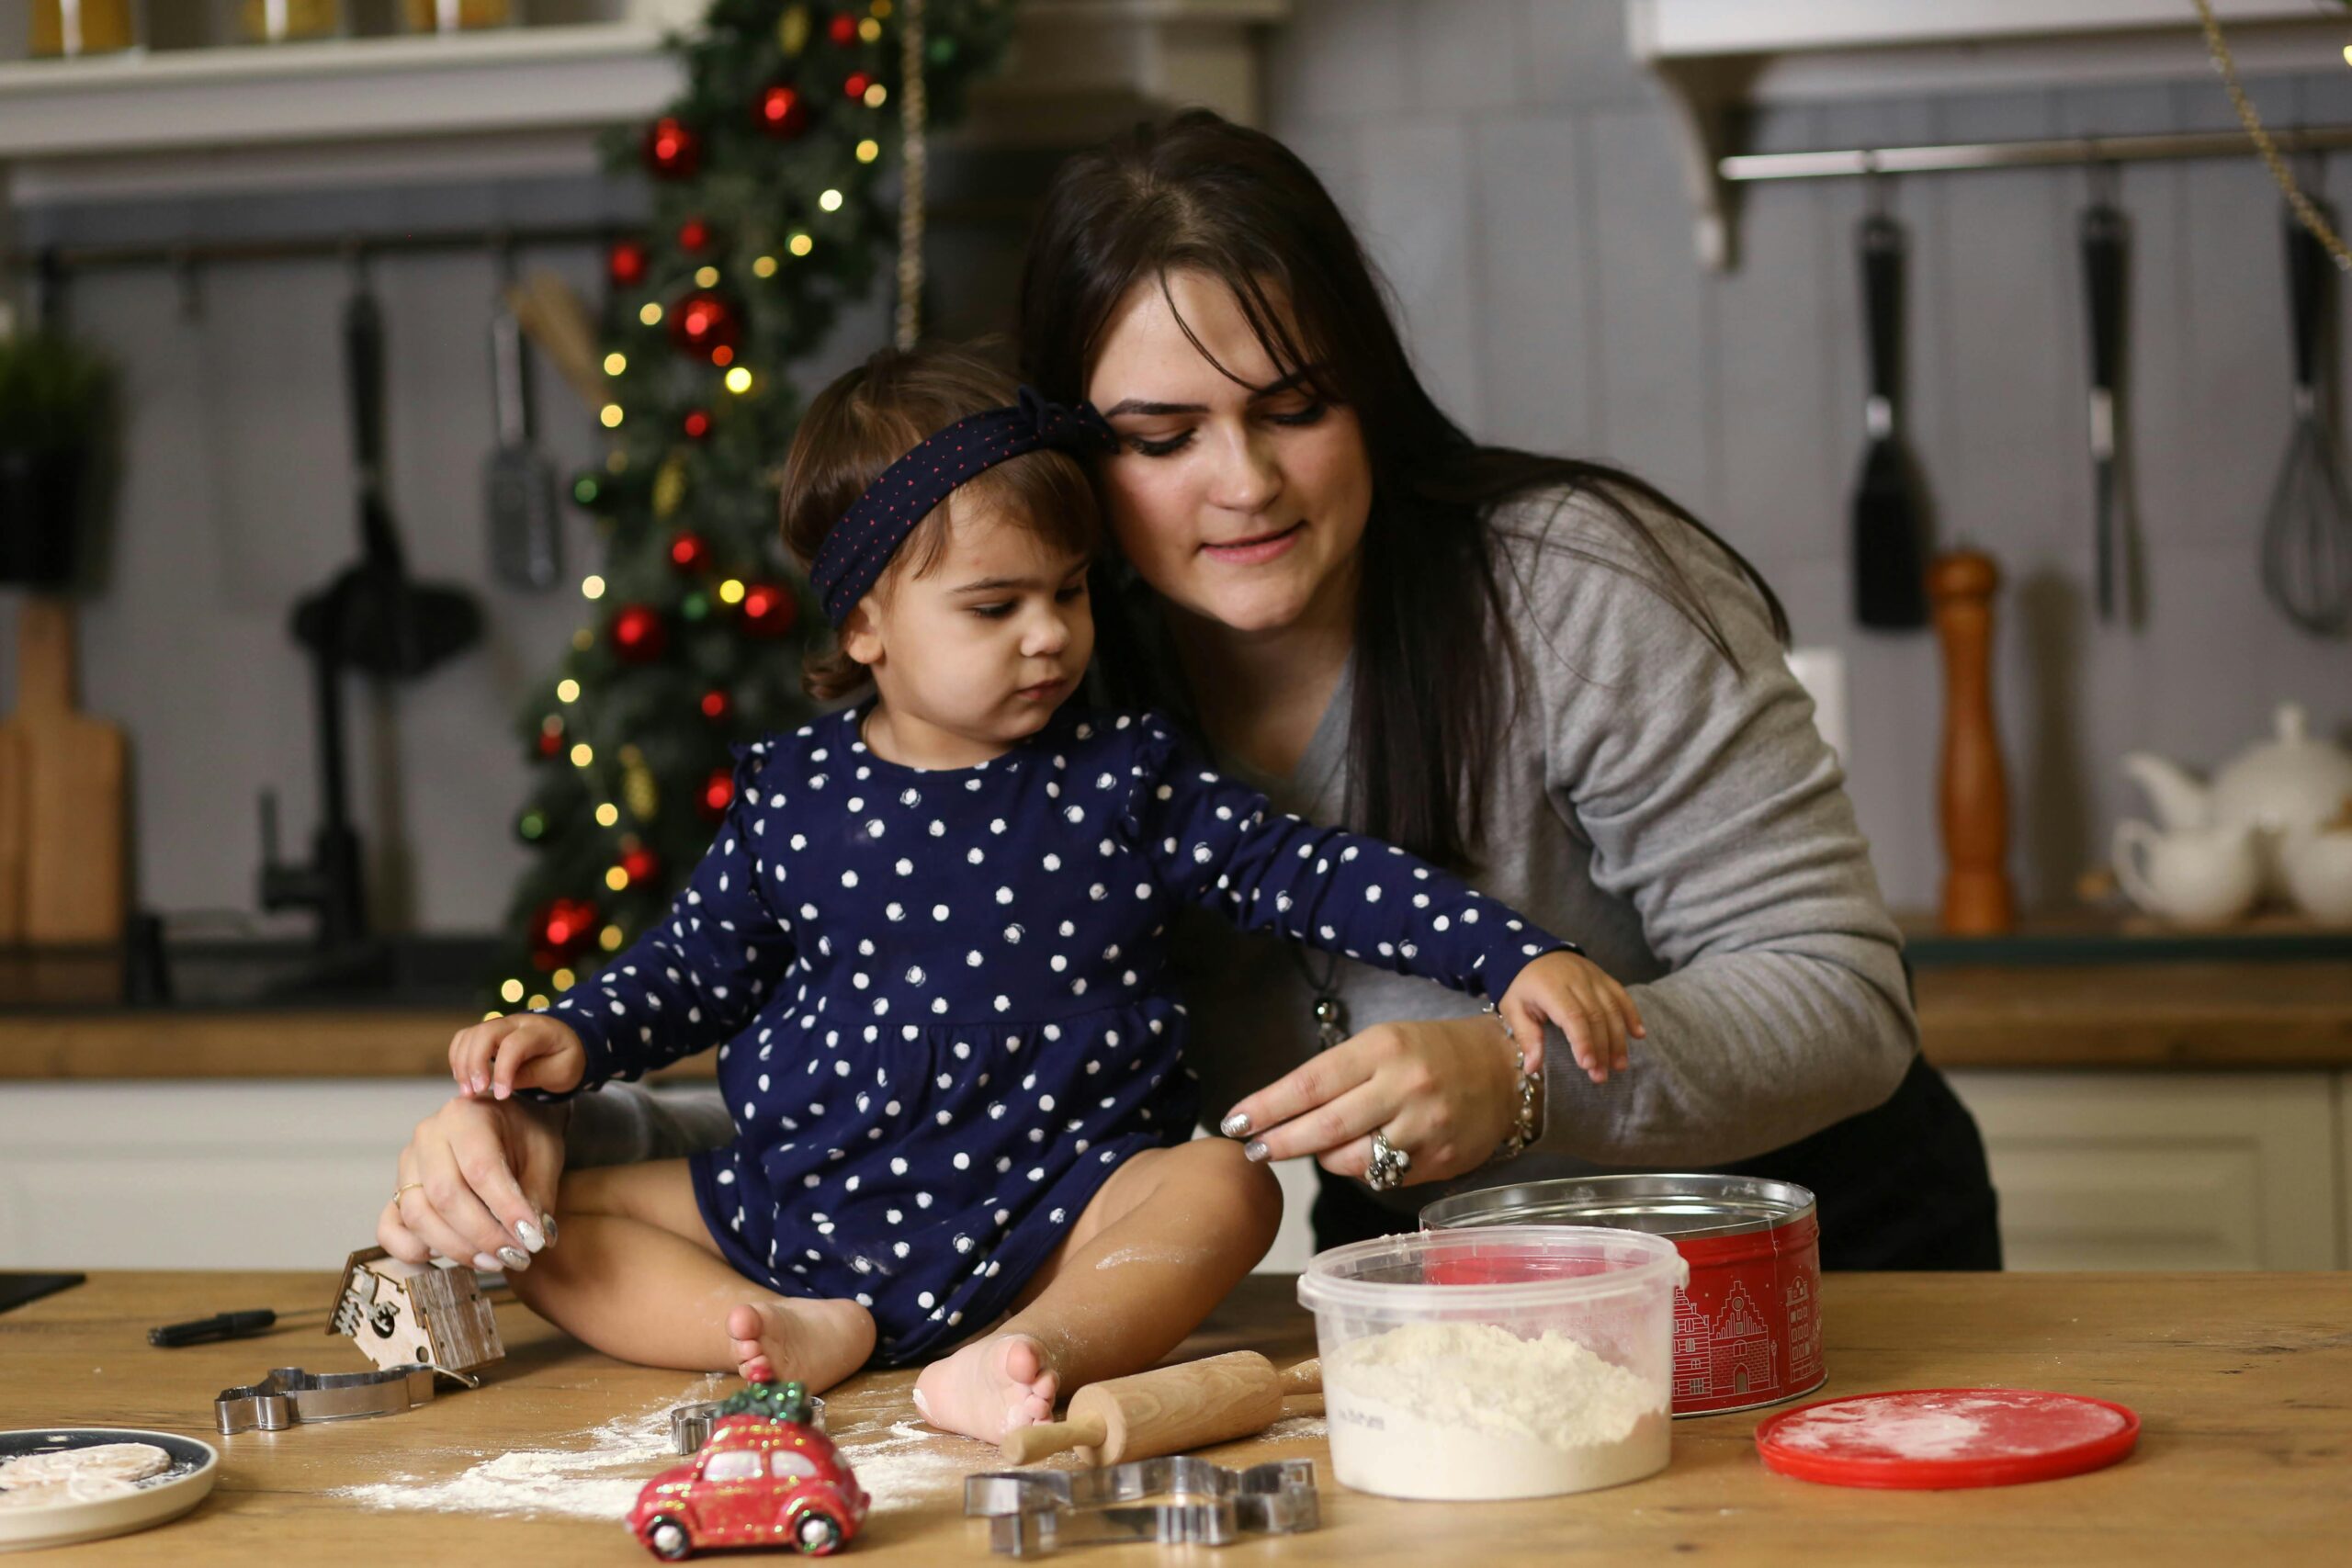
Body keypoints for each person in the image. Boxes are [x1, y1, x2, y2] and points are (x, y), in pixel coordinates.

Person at [384, 110, 1996, 1290]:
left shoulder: (1576, 589)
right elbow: (888, 1109)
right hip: (1440, 1298)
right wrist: (552, 1126)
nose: (1245, 483)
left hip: (1814, 1259)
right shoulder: (1042, 701)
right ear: (1066, 461)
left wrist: (1515, 1083)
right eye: (1161, 439)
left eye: (1294, 407)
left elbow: (1846, 998)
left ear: (1365, 392)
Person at [420, 342, 1644, 1443]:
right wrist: (571, 1034)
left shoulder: (1126, 780)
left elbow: (1314, 873)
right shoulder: (791, 796)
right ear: (863, 625)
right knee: (543, 1230)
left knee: (1225, 1185)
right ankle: (782, 1328)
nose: (1050, 635)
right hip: (805, 1210)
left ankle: (1030, 1355)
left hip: (1062, 1212)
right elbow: (692, 969)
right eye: (994, 607)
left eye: (1068, 592)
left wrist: (1510, 959)